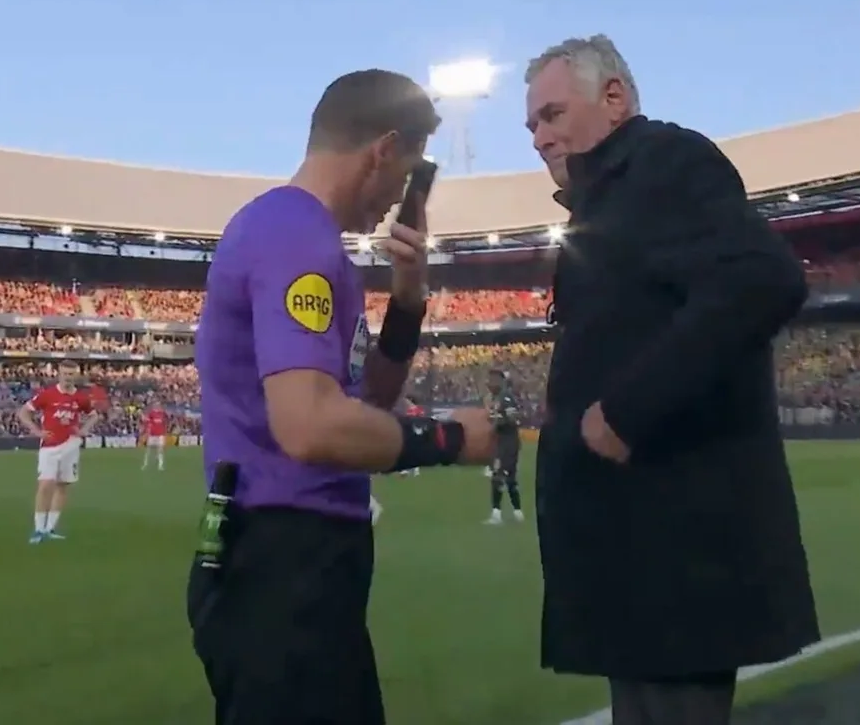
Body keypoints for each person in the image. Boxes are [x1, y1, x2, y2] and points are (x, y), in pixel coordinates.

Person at [524, 35, 821, 724]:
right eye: (532, 124)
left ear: (614, 98)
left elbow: (761, 279)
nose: (539, 137)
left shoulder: (664, 161)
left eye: (552, 114)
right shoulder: (607, 198)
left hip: (676, 547)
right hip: (637, 547)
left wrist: (627, 410)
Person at [187, 68, 497, 725]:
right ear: (383, 150)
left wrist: (407, 303)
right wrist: (448, 439)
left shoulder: (308, 239)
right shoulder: (293, 234)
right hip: (283, 562)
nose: (397, 202)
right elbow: (311, 427)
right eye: (404, 176)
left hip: (282, 561)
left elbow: (363, 408)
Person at [17, 360, 99, 544]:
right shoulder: (47, 395)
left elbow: (94, 415)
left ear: (76, 376)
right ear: (59, 374)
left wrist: (84, 429)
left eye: (71, 374)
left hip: (71, 446)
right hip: (50, 446)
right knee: (45, 485)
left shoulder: (81, 398)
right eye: (65, 374)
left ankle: (50, 528)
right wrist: (36, 431)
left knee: (63, 486)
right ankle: (38, 529)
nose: (68, 377)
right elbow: (23, 412)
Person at [484, 368, 525, 524]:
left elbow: (514, 420)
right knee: (510, 479)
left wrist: (498, 423)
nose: (490, 383)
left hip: (508, 443)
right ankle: (518, 512)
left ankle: (496, 514)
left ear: (501, 381)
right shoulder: (496, 398)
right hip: (504, 442)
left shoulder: (506, 397)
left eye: (493, 379)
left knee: (498, 476)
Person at [141, 400, 168, 471]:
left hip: (160, 434)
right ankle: (145, 464)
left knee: (160, 450)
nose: (157, 406)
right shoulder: (151, 414)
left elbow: (165, 422)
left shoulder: (163, 413)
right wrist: (147, 432)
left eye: (158, 405)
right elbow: (147, 422)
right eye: (156, 405)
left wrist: (165, 433)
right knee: (149, 450)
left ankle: (160, 465)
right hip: (152, 435)